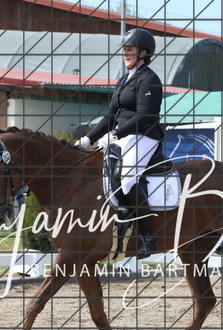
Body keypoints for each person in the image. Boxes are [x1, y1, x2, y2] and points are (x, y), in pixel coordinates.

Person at [75, 28, 163, 259]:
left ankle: (149, 239)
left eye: (129, 49)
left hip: (144, 135)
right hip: (123, 135)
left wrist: (115, 134)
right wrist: (89, 138)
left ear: (143, 52)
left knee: (127, 179)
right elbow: (110, 115)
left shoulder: (150, 79)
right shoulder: (124, 80)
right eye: (124, 50)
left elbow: (144, 116)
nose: (125, 54)